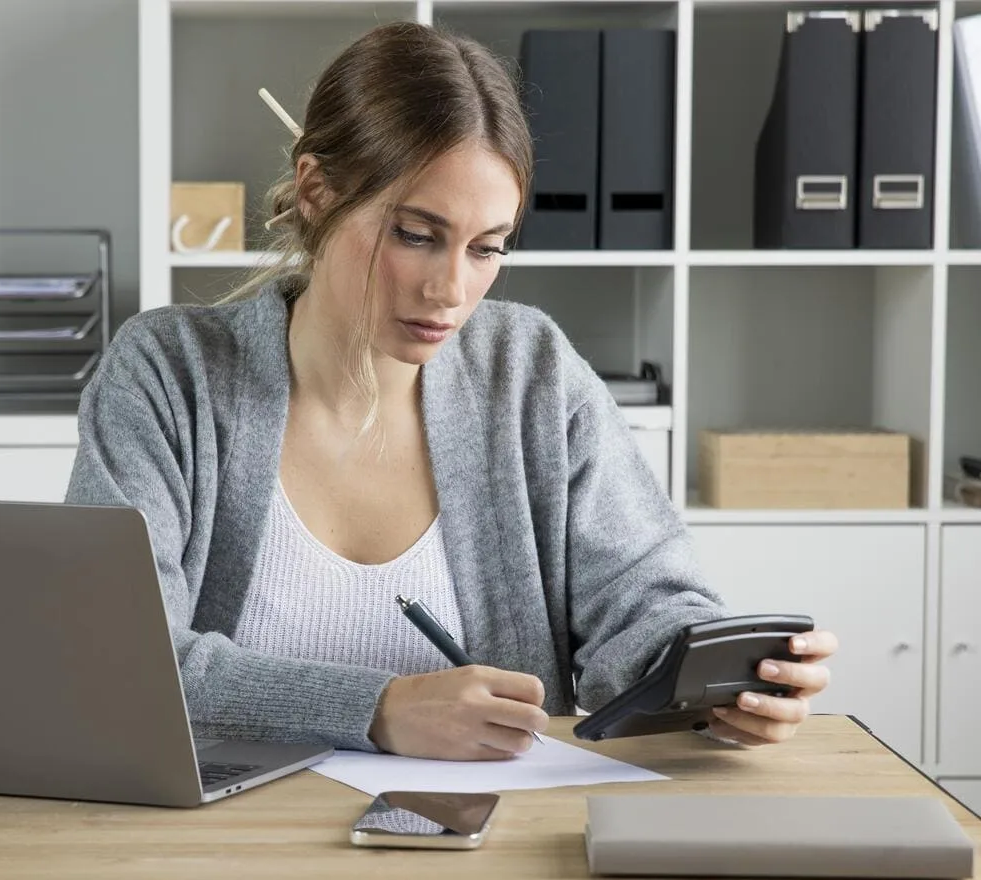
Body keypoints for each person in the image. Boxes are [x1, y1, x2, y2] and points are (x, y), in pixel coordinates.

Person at [66, 21, 836, 760]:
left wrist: (713, 685)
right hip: (222, 853)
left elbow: (644, 601)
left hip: (486, 853)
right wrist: (378, 710)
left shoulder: (529, 370)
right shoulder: (168, 375)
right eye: (416, 234)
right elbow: (116, 657)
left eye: (488, 248)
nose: (451, 290)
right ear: (315, 190)